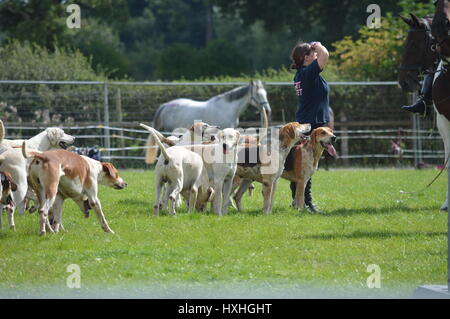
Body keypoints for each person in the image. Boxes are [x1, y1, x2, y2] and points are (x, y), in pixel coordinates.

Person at [289, 40, 330, 213]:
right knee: (305, 166)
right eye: (313, 53)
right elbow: (325, 55)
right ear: (306, 58)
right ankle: (305, 203)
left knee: (301, 165)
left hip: (309, 122)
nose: (316, 54)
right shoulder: (307, 72)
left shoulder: (303, 73)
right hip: (310, 124)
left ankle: (297, 201)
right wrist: (318, 44)